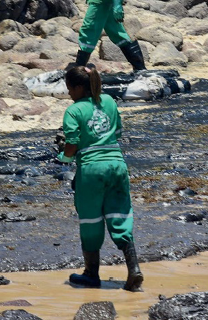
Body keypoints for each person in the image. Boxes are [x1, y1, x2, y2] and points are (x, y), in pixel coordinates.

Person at [59, 65, 143, 292]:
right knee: (120, 215)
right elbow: (117, 134)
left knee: (91, 220)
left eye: (69, 88)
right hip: (117, 166)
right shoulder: (109, 102)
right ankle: (134, 269)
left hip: (91, 169)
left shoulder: (74, 111)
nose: (68, 93)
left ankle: (91, 274)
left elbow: (72, 144)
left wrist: (63, 157)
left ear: (78, 87)